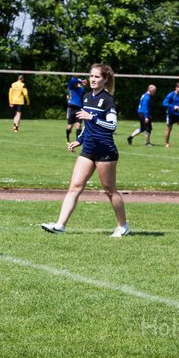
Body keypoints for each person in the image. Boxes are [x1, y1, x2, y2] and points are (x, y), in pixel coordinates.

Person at [41, 63, 129, 237]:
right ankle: (60, 225)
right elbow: (88, 127)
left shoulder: (108, 100)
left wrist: (92, 117)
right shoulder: (87, 97)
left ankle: (123, 226)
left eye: (97, 77)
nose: (93, 79)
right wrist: (79, 140)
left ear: (105, 80)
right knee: (75, 187)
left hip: (105, 151)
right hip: (88, 149)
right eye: (91, 76)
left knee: (109, 190)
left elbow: (112, 126)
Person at [162, 82, 179, 148]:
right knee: (169, 129)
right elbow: (164, 103)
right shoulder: (171, 95)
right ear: (176, 88)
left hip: (178, 114)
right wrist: (173, 106)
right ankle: (167, 143)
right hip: (170, 114)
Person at [65, 74, 86, 144]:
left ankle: (78, 140)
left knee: (78, 125)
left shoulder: (81, 89)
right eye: (77, 83)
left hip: (79, 108)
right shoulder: (71, 88)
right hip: (71, 108)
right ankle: (67, 138)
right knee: (69, 127)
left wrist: (81, 83)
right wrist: (81, 80)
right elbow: (72, 80)